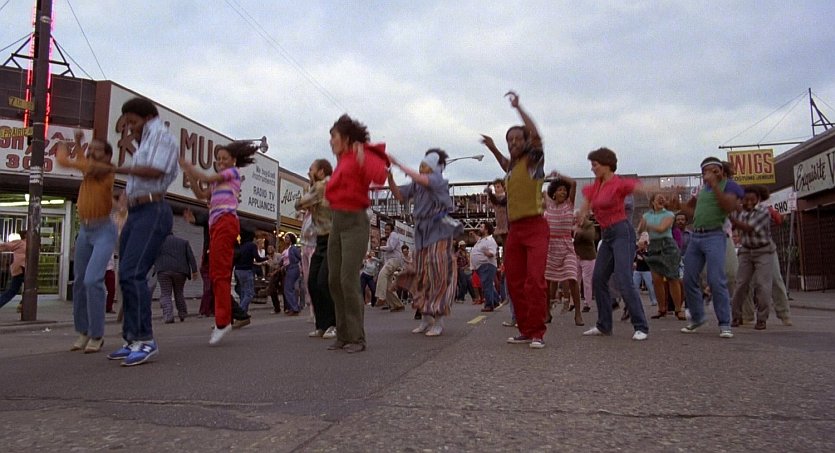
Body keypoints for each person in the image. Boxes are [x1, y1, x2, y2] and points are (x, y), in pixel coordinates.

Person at [104, 98, 179, 366]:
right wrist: (123, 200)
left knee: (134, 271)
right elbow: (136, 181)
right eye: (127, 124)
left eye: (133, 122)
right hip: (136, 211)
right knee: (125, 273)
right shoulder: (145, 143)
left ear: (147, 118)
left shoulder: (162, 137)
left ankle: (145, 339)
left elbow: (155, 171)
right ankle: (131, 338)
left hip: (153, 209)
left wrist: (115, 168)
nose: (130, 128)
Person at [481, 91, 548, 349]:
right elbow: (503, 162)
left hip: (535, 226)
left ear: (526, 141)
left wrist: (518, 108)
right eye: (509, 140)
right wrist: (492, 147)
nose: (513, 143)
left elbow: (537, 136)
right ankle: (525, 330)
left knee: (535, 281)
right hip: (515, 230)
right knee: (515, 283)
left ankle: (538, 332)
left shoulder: (533, 162)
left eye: (518, 139)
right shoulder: (511, 168)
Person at [180, 140, 259, 346]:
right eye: (218, 159)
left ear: (233, 161)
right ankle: (224, 319)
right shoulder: (217, 183)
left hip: (226, 222)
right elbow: (200, 194)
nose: (221, 162)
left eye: (224, 158)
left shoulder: (233, 173)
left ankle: (223, 322)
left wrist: (190, 167)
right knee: (215, 275)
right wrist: (189, 174)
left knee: (221, 274)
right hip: (215, 225)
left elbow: (206, 177)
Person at [325, 114, 389, 353]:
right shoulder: (341, 161)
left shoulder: (360, 154)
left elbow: (380, 176)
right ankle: (342, 334)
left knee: (347, 278)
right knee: (333, 279)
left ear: (346, 137)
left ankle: (357, 337)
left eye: (333, 136)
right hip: (337, 222)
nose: (330, 141)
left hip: (355, 222)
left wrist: (363, 159)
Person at [578, 147, 650, 341]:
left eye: (595, 165)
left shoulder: (617, 183)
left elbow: (641, 187)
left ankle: (641, 326)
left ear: (607, 165)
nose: (592, 168)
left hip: (621, 232)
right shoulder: (596, 185)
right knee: (598, 278)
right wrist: (581, 215)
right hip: (607, 234)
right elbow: (587, 202)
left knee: (624, 278)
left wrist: (665, 190)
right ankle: (604, 325)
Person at [54, 132, 117, 353]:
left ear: (107, 156)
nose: (92, 152)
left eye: (97, 149)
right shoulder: (88, 168)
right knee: (79, 281)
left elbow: (67, 161)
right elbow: (80, 162)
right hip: (85, 230)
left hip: (104, 230)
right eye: (91, 148)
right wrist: (77, 144)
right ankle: (83, 331)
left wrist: (67, 145)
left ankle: (97, 334)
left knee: (92, 280)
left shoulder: (106, 169)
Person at [388, 149, 462, 336]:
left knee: (438, 274)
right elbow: (399, 195)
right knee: (422, 276)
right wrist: (389, 176)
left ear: (435, 167)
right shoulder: (417, 184)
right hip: (422, 233)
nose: (421, 167)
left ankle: (439, 320)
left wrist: (398, 164)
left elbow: (422, 179)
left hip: (438, 231)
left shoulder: (438, 181)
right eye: (421, 164)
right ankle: (426, 318)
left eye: (425, 165)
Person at [678, 156, 744, 338]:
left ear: (721, 171)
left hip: (715, 235)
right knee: (688, 278)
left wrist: (715, 185)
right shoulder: (701, 190)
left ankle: (724, 323)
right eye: (705, 172)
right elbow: (690, 211)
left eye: (713, 170)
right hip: (696, 235)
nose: (709, 174)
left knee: (716, 280)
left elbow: (728, 206)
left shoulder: (729, 185)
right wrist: (677, 205)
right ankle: (698, 317)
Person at [296, 158, 337, 338]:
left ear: (321, 171)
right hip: (321, 238)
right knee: (312, 281)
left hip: (332, 237)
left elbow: (299, 203)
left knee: (322, 281)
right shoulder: (319, 186)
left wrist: (308, 198)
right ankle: (322, 324)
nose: (308, 172)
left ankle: (333, 324)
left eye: (311, 169)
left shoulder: (322, 185)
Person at [730, 185, 775, 330]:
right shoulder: (739, 211)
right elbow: (731, 227)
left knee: (762, 285)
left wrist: (732, 218)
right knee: (740, 284)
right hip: (746, 250)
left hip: (763, 250)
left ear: (758, 199)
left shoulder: (763, 211)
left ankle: (762, 318)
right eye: (746, 200)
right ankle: (736, 316)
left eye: (752, 200)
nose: (749, 203)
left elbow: (748, 227)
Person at [543, 173, 583, 326]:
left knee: (572, 278)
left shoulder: (569, 204)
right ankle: (547, 312)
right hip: (551, 247)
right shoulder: (549, 205)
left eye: (564, 190)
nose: (563, 192)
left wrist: (558, 175)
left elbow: (573, 183)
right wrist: (542, 178)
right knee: (547, 281)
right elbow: (540, 190)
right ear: (553, 193)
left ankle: (578, 313)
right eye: (560, 190)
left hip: (566, 246)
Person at [638, 193, 686, 320]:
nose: (661, 200)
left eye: (662, 198)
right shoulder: (646, 215)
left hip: (667, 245)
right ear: (652, 202)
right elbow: (640, 230)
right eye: (658, 198)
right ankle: (661, 309)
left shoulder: (669, 215)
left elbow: (661, 228)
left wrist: (646, 224)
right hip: (654, 246)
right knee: (657, 279)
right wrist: (642, 228)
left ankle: (678, 309)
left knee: (672, 277)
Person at [153, 233, 198, 323]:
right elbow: (191, 257)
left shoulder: (157, 243)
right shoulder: (183, 242)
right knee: (179, 293)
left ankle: (168, 316)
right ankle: (182, 314)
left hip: (163, 270)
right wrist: (194, 271)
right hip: (180, 271)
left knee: (166, 294)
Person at [233, 232, 268, 314]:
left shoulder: (241, 245)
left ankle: (244, 312)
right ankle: (240, 311)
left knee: (243, 291)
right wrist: (266, 258)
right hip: (247, 269)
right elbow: (258, 258)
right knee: (250, 293)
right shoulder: (252, 246)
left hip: (238, 270)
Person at [470, 222, 499, 313]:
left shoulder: (490, 240)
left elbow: (492, 253)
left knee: (486, 285)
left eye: (481, 227)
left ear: (486, 230)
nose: (479, 228)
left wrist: (486, 252)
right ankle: (495, 300)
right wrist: (474, 235)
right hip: (481, 266)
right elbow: (478, 239)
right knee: (488, 284)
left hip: (486, 265)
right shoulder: (481, 240)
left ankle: (489, 305)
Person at [375, 223, 403, 310]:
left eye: (388, 229)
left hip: (393, 260)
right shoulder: (390, 238)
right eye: (385, 229)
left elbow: (391, 247)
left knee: (382, 274)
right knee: (388, 285)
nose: (386, 231)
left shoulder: (393, 235)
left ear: (392, 230)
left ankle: (381, 297)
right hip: (391, 261)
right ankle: (398, 305)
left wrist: (380, 248)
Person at [574, 214, 597, 312]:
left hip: (588, 257)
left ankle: (587, 303)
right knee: (575, 280)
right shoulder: (574, 225)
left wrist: (579, 231)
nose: (576, 220)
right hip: (577, 256)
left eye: (577, 218)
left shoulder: (590, 225)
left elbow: (590, 237)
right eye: (575, 218)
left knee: (587, 280)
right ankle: (574, 302)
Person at [0, 230, 27, 310]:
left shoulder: (31, 243)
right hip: (21, 268)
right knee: (13, 290)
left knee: (30, 288)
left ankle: (23, 304)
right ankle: (22, 305)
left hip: (25, 268)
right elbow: (6, 245)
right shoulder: (20, 243)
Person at [281, 233, 302, 315]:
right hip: (287, 269)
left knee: (288, 289)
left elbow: (300, 257)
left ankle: (294, 308)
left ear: (291, 239)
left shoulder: (293, 248)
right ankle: (294, 307)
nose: (285, 239)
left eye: (287, 237)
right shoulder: (286, 249)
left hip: (293, 268)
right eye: (285, 237)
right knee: (290, 289)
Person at [632, 239, 658, 307]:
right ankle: (636, 301)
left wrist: (643, 258)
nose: (639, 246)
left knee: (650, 286)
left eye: (641, 245)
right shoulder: (637, 252)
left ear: (645, 245)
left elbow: (650, 261)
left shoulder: (648, 252)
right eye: (639, 245)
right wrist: (634, 263)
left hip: (646, 271)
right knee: (635, 286)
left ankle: (653, 300)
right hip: (637, 270)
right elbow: (634, 260)